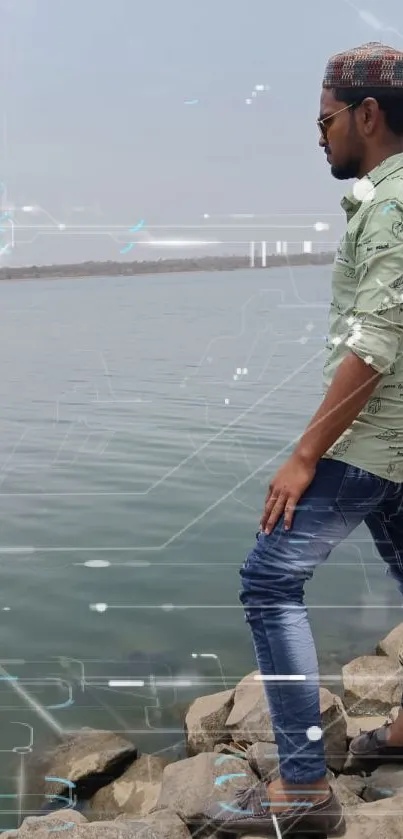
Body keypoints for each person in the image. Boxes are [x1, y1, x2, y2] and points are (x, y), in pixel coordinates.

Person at [189, 42, 403, 836]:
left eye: (324, 120)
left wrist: (306, 451)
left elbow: (376, 341)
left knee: (268, 578)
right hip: (395, 440)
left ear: (367, 115)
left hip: (370, 438)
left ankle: (305, 789)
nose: (319, 136)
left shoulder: (391, 205)